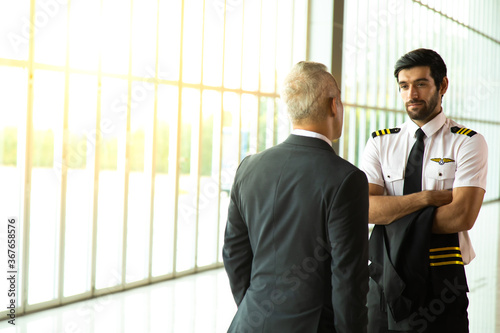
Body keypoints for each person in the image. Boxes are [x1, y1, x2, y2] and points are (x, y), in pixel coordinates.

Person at [223, 61, 369, 333]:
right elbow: (349, 279)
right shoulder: (346, 179)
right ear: (333, 105)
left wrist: (256, 306)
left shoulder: (249, 168)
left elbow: (234, 253)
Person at [361, 48, 488, 332]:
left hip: (440, 277)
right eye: (403, 86)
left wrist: (391, 212)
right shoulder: (380, 143)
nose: (411, 94)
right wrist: (427, 199)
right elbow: (366, 209)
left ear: (442, 85)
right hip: (384, 275)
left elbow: (460, 217)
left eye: (420, 84)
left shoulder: (466, 143)